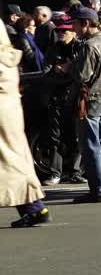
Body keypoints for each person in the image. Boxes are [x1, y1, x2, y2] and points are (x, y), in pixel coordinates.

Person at [69, 4, 101, 202]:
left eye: (75, 24)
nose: (73, 28)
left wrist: (69, 67)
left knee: (92, 145)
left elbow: (83, 75)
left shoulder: (90, 46)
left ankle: (99, 190)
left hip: (92, 98)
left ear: (85, 23)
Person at [1, 35, 50, 227]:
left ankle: (35, 208)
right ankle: (35, 208)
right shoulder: (7, 56)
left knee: (9, 163)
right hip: (10, 112)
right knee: (14, 160)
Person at [36, 17, 83, 186]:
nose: (61, 33)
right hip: (57, 99)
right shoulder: (53, 50)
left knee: (77, 137)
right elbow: (47, 74)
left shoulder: (80, 47)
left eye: (65, 31)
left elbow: (82, 74)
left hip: (76, 98)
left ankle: (75, 172)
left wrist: (66, 70)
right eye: (58, 31)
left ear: (73, 32)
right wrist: (63, 72)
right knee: (56, 138)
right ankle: (56, 172)